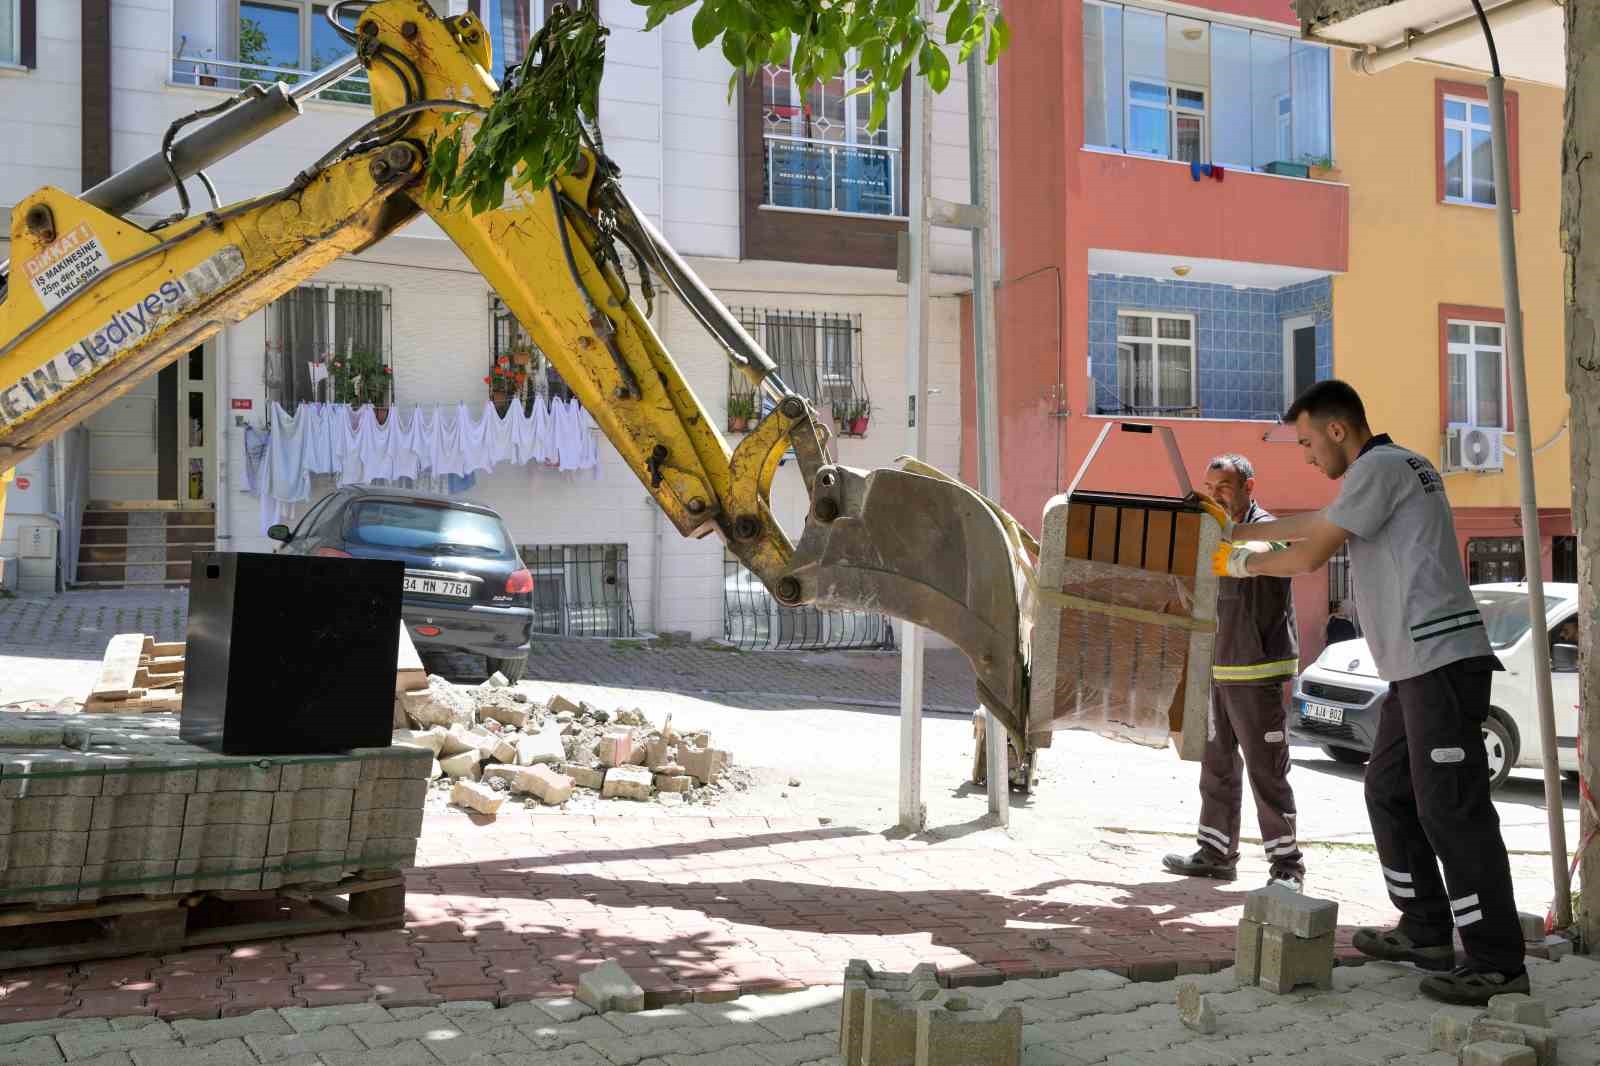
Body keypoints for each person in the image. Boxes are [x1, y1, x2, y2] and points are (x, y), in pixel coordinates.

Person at [1208, 379, 1526, 1006]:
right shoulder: (1384, 470)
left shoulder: (1379, 466)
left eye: (1306, 443)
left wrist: (1235, 562)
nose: (1306, 457)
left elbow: (1310, 554)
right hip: (1415, 667)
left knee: (1451, 809)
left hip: (1440, 661)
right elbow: (1318, 524)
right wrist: (1232, 532)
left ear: (1337, 430)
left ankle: (1496, 961)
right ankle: (1425, 931)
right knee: (1386, 790)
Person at [1164, 454, 1305, 892]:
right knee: (1216, 765)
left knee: (1268, 771)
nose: (1216, 494)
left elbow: (1273, 553)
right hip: (1215, 668)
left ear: (1248, 485)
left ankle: (1287, 867)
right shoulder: (1213, 530)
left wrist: (1233, 552)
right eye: (1211, 487)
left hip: (1255, 672)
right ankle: (1215, 853)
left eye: (1223, 486)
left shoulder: (1266, 528)